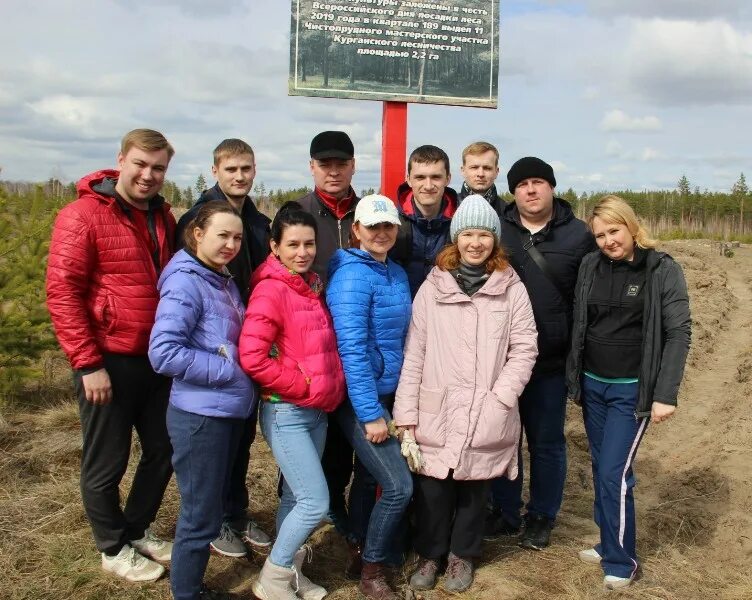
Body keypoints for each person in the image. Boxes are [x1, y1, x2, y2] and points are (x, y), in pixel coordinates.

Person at [46, 129, 176, 582]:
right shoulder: (82, 215)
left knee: (164, 447)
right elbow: (63, 292)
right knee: (107, 459)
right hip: (109, 360)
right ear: (121, 160)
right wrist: (87, 363)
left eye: (158, 167)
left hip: (156, 360)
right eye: (141, 164)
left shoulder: (163, 217)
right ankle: (111, 545)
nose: (148, 174)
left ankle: (136, 529)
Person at [393, 195, 538, 592]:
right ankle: (429, 553)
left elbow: (525, 347)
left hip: (487, 405)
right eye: (468, 234)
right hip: (436, 405)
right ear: (456, 239)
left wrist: (502, 396)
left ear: (494, 239)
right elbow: (415, 351)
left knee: (476, 486)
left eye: (484, 234)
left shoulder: (511, 288)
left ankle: (462, 556)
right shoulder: (432, 287)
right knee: (433, 487)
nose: (476, 242)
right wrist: (406, 413)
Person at [565, 195, 691, 590]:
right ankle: (607, 542)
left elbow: (678, 332)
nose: (608, 241)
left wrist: (665, 393)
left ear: (632, 226)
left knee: (612, 473)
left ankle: (623, 561)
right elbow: (582, 322)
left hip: (631, 392)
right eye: (600, 235)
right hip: (593, 385)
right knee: (606, 467)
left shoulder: (661, 269)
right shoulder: (591, 266)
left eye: (614, 231)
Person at [486, 157, 596, 550]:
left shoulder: (579, 236)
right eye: (522, 184)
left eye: (538, 182)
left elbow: (589, 300)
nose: (531, 190)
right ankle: (505, 509)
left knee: (547, 442)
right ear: (512, 191)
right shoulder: (497, 230)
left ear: (551, 187)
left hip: (550, 363)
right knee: (502, 438)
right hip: (500, 362)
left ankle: (542, 516)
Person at [239, 202, 346, 600]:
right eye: (293, 245)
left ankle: (293, 573)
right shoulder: (271, 289)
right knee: (315, 502)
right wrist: (300, 385)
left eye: (309, 244)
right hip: (287, 413)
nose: (302, 252)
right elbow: (252, 356)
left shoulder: (312, 286)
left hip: (316, 412)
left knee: (293, 497)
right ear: (274, 246)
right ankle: (273, 578)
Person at [149, 200, 256, 600]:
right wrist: (228, 369)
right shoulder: (185, 281)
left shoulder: (219, 278)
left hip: (224, 411)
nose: (230, 244)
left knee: (208, 509)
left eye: (237, 238)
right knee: (199, 515)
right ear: (197, 233)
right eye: (221, 235)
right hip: (200, 416)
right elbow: (163, 353)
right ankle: (187, 593)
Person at [175, 138, 272, 557]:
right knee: (210, 449)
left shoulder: (258, 221)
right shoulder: (201, 218)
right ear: (215, 170)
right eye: (231, 169)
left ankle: (234, 513)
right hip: (212, 349)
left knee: (240, 442)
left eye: (246, 169)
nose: (239, 176)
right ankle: (209, 521)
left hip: (248, 342)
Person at [326, 195, 414, 600]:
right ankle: (374, 572)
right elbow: (352, 350)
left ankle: (361, 550)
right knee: (398, 486)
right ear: (356, 230)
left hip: (389, 391)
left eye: (388, 226)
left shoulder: (394, 271)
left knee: (367, 478)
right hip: (363, 399)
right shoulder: (350, 277)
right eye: (372, 226)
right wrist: (370, 414)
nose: (381, 233)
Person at [296, 131, 360, 547]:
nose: (333, 170)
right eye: (325, 163)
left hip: (354, 344)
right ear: (312, 166)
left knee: (343, 439)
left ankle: (336, 503)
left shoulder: (370, 213)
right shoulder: (296, 212)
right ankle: (302, 505)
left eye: (341, 163)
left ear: (353, 165)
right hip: (308, 346)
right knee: (305, 435)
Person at [390, 145, 459, 297]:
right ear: (408, 179)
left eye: (436, 177)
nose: (428, 186)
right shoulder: (390, 222)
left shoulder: (462, 223)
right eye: (420, 177)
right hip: (402, 314)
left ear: (448, 179)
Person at [458, 141, 504, 216]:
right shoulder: (448, 209)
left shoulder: (508, 213)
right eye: (474, 167)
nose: (480, 174)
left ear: (496, 172)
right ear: (463, 170)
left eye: (487, 168)